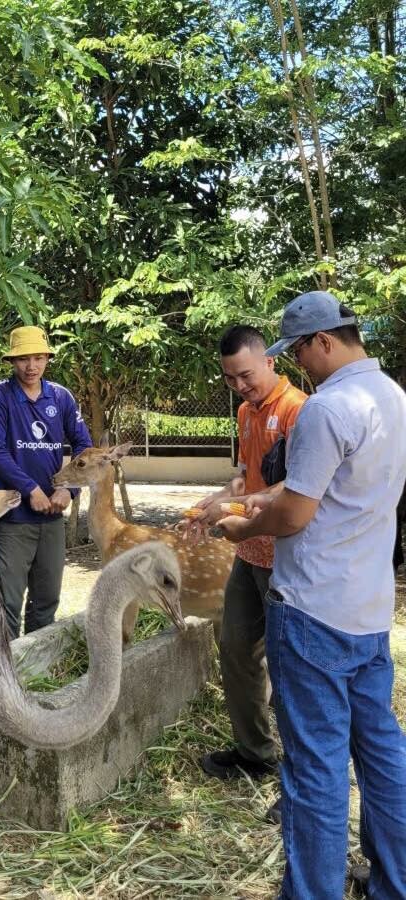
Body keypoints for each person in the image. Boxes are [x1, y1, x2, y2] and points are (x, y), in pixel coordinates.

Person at [217, 291, 406, 899]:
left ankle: (310, 891)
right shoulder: (394, 399)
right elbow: (327, 493)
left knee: (315, 768)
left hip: (313, 609)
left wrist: (243, 525)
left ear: (323, 341)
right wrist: (242, 501)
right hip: (369, 610)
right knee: (380, 752)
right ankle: (393, 882)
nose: (300, 365)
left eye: (299, 351)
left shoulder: (327, 409)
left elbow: (295, 513)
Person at [189, 326, 306, 785]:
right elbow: (244, 481)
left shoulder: (299, 411)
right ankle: (255, 752)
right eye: (231, 379)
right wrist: (206, 506)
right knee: (236, 648)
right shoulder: (245, 412)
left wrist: (231, 508)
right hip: (249, 553)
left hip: (287, 556)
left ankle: (301, 780)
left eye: (246, 375)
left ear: (270, 362)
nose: (240, 385)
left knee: (289, 668)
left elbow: (296, 488)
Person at [0, 325, 92, 638]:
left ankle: (35, 668)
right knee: (6, 603)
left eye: (39, 358)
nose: (31, 366)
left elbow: (85, 447)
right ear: (11, 361)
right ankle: (6, 674)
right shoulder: (0, 396)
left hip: (52, 517)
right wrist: (30, 489)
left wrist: (68, 489)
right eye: (23, 359)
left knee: (46, 600)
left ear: (47, 358)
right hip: (15, 516)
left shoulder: (61, 397)